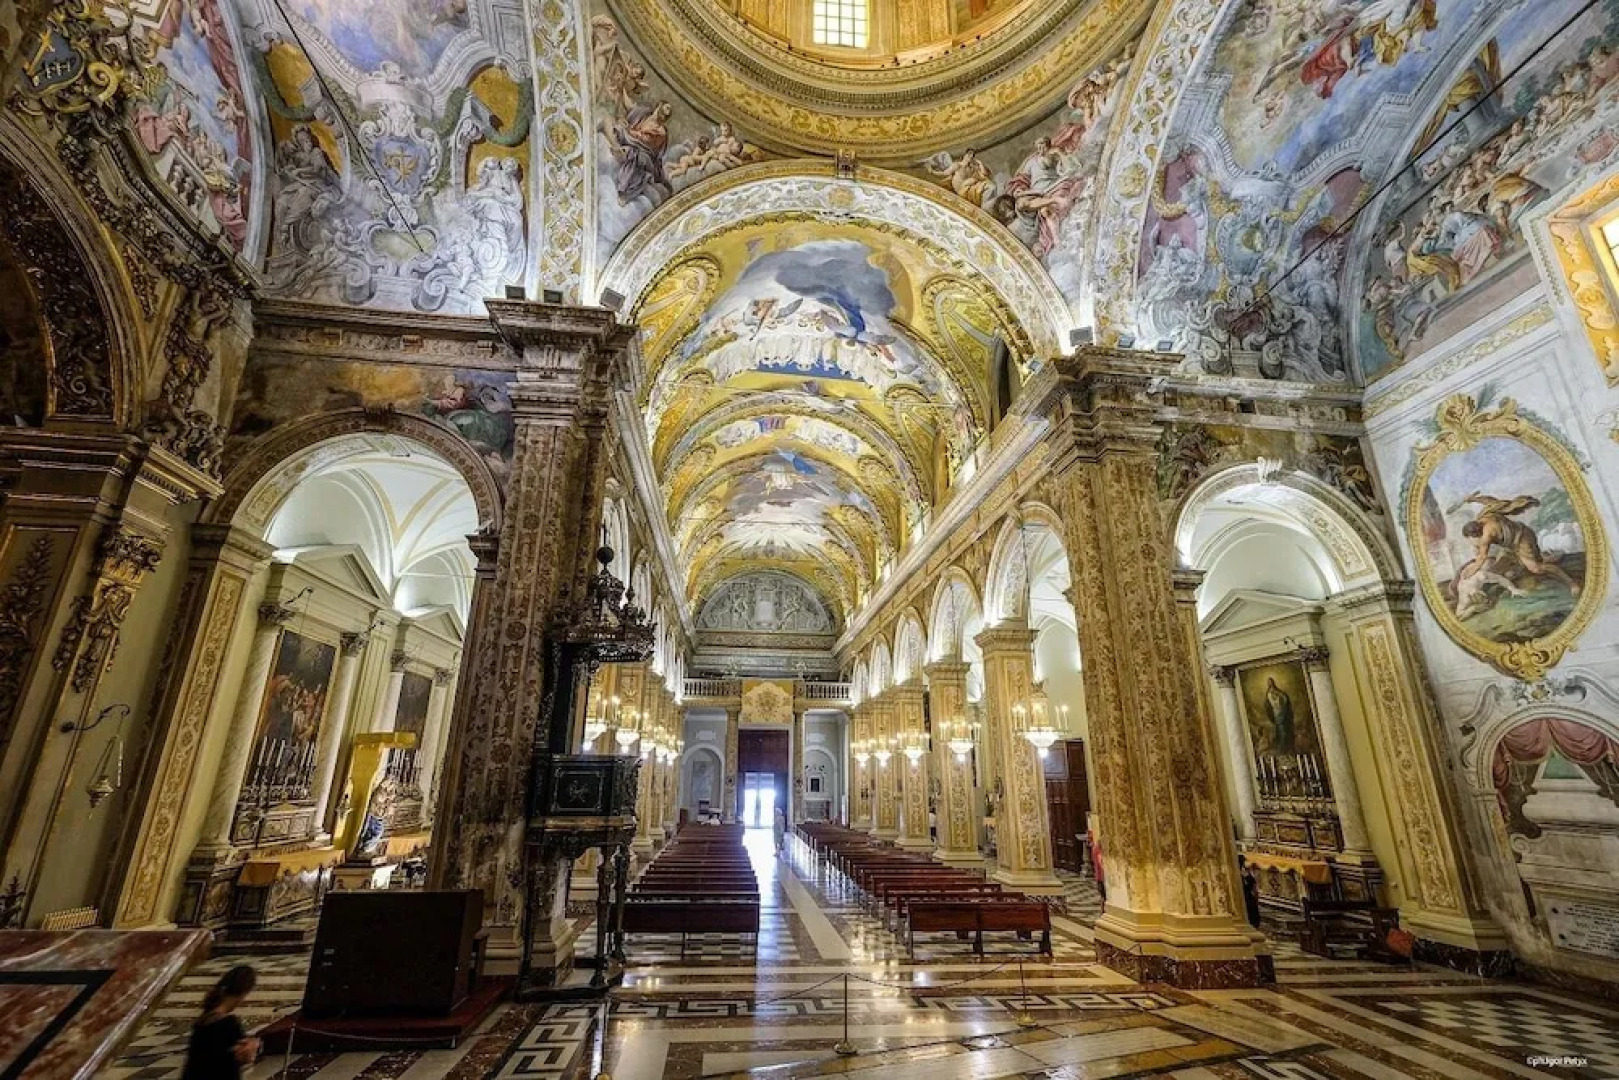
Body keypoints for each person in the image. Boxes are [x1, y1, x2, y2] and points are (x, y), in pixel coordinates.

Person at [183, 965, 259, 1080]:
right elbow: (245, 1057)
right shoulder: (228, 1024)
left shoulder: (203, 1020)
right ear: (243, 993)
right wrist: (253, 1046)